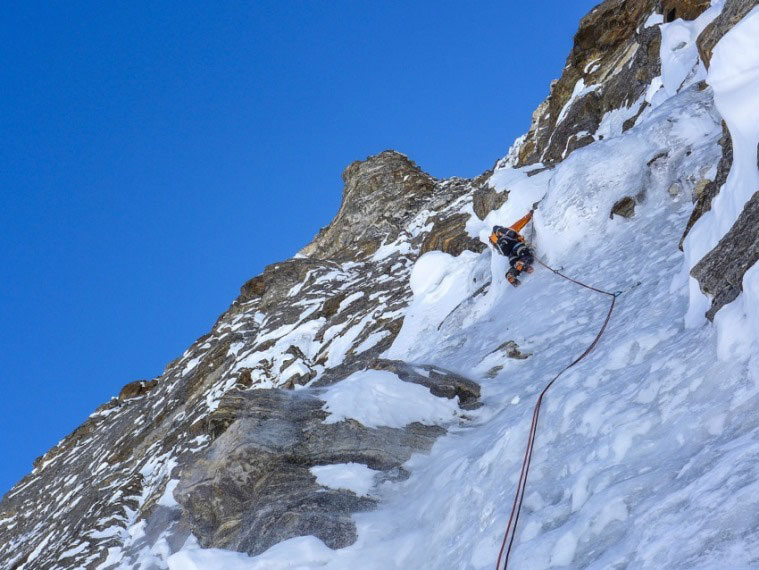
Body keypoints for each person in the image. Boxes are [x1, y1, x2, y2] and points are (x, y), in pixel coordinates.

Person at [489, 210, 535, 287]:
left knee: (517, 266)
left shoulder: (497, 246)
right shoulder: (508, 232)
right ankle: (522, 264)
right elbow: (521, 222)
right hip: (517, 247)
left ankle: (511, 274)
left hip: (511, 257)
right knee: (528, 256)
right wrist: (530, 214)